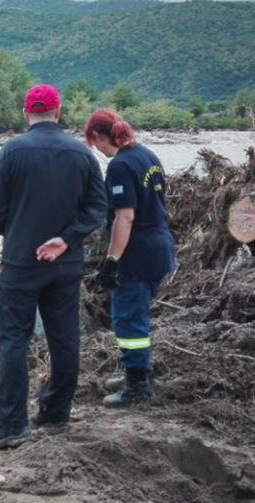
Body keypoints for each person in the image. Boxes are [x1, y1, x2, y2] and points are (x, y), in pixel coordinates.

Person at [0, 84, 108, 449]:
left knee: (14, 341)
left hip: (21, 262)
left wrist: (19, 233)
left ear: (27, 114)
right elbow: (97, 209)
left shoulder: (11, 152)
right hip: (66, 263)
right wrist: (66, 238)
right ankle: (55, 411)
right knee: (65, 337)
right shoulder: (82, 155)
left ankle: (13, 425)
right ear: (58, 112)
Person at [83, 109, 176, 407]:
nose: (95, 148)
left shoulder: (120, 166)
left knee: (127, 318)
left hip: (138, 252)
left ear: (97, 137)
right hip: (160, 245)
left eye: (93, 142)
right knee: (137, 315)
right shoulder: (148, 156)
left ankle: (136, 385)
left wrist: (111, 261)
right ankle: (136, 371)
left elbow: (125, 217)